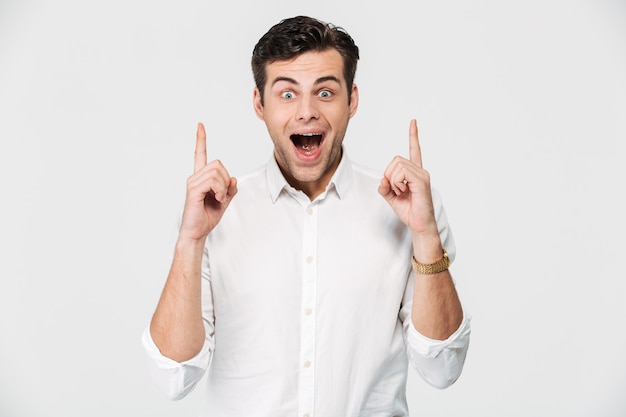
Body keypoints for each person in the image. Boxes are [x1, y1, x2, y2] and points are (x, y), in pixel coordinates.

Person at [142, 15, 471, 416]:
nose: (306, 112)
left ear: (352, 100)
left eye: (325, 93)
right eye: (286, 94)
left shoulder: (408, 208)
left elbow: (442, 368)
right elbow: (174, 377)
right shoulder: (214, 213)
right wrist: (190, 242)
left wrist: (425, 234)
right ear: (259, 104)